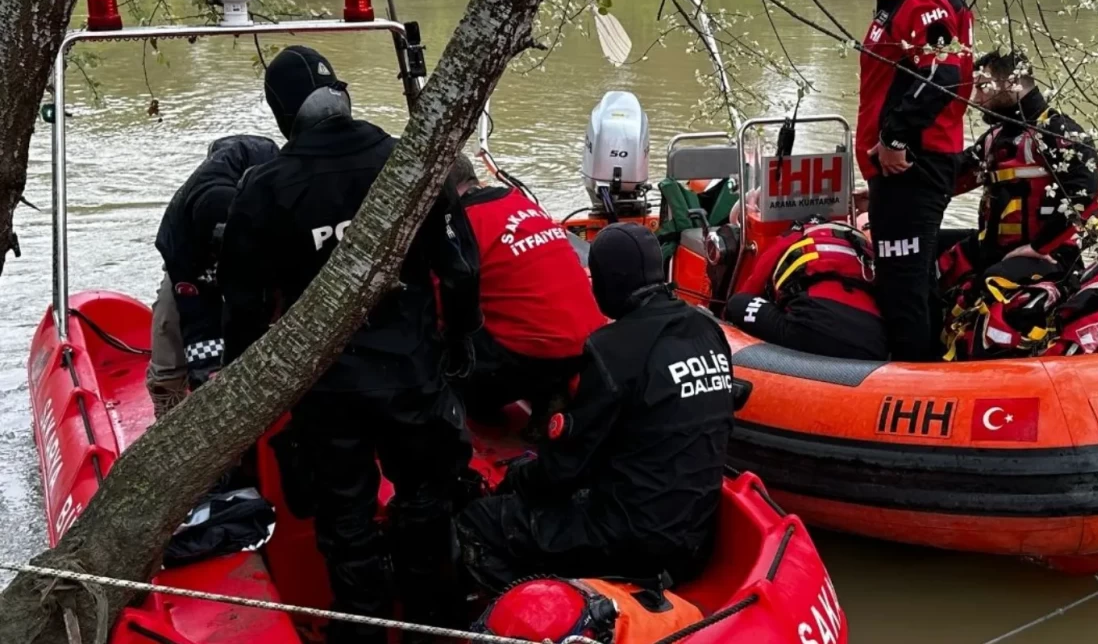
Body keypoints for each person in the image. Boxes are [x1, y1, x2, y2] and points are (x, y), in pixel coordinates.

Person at [218, 45, 479, 644]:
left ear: (283, 116)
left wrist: (239, 390)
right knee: (426, 499)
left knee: (346, 520)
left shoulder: (266, 187)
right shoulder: (406, 163)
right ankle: (433, 624)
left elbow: (245, 306)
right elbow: (460, 268)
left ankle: (361, 628)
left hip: (329, 393)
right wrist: (462, 337)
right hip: (413, 375)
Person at [455, 222, 738, 596]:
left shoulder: (612, 349)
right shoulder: (708, 332)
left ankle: (533, 609)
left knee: (478, 522)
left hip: (633, 541)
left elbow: (565, 468)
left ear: (607, 281)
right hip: (695, 539)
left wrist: (512, 484)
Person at [850, 0, 975, 361]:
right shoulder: (904, 0)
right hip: (900, 170)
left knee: (902, 288)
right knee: (914, 281)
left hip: (911, 166)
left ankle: (913, 388)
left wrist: (893, 138)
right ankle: (933, 368)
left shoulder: (922, 0)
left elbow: (941, 74)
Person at [443, 154, 607, 425]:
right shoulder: (521, 202)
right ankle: (552, 390)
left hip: (532, 355)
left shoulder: (461, 224)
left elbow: (443, 304)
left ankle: (499, 397)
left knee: (441, 343)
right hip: (590, 345)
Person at [937, 49, 1098, 293]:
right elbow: (950, 174)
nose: (975, 99)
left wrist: (1039, 247)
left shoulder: (1057, 132)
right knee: (923, 249)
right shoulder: (996, 137)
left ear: (1013, 82)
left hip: (1046, 255)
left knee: (988, 284)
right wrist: (885, 193)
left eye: (983, 87)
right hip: (994, 246)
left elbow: (1086, 194)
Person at [147, 135, 280, 419]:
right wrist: (205, 374)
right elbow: (195, 310)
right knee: (168, 320)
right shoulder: (182, 228)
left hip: (255, 253)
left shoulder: (273, 197)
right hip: (191, 260)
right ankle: (167, 398)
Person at [724, 216, 887, 360]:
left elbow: (750, 289)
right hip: (873, 343)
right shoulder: (861, 244)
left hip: (811, 330)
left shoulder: (793, 237)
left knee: (737, 302)